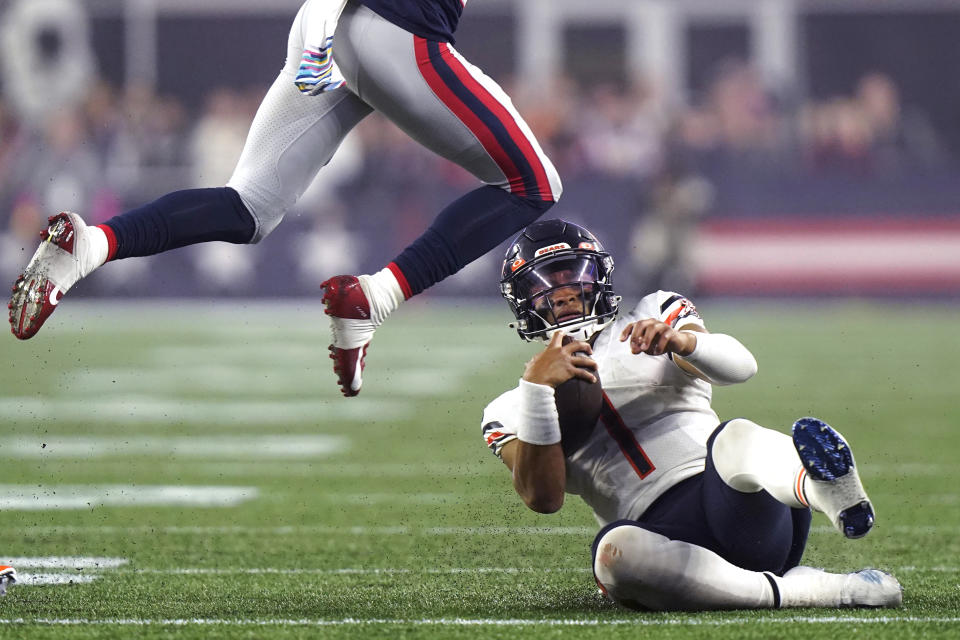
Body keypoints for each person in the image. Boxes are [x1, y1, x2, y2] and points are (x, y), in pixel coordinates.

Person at [7, 0, 561, 397]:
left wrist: (320, 27)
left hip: (335, 31)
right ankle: (376, 298)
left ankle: (91, 244)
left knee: (248, 206)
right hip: (395, 31)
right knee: (535, 182)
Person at [481, 219, 902, 611]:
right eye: (546, 283)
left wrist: (683, 343)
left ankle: (832, 493)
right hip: (665, 542)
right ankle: (815, 589)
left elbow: (742, 367)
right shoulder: (509, 407)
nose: (565, 291)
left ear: (600, 277)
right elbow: (543, 497)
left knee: (734, 436)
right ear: (521, 299)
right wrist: (537, 391)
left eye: (575, 273)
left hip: (737, 504)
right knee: (612, 556)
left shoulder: (653, 311)